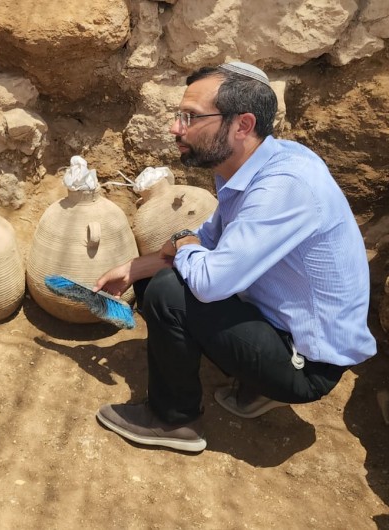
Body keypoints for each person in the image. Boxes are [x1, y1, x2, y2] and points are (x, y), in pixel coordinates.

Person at [93, 62, 376, 453]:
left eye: (190, 117)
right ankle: (257, 383)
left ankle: (174, 421)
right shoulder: (250, 164)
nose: (176, 128)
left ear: (242, 125)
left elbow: (210, 283)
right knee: (158, 275)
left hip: (309, 364)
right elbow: (207, 241)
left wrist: (180, 247)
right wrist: (134, 267)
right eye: (179, 116)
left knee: (169, 292)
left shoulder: (284, 187)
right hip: (284, 325)